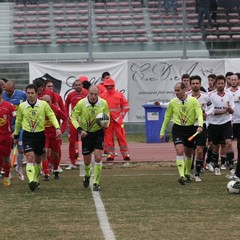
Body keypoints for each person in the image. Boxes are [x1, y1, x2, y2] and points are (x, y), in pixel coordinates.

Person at [13, 84, 62, 192]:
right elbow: (18, 121)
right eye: (28, 93)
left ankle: (35, 179)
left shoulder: (43, 104)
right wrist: (16, 135)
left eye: (32, 93)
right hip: (28, 135)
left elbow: (52, 115)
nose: (30, 95)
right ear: (26, 93)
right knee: (30, 157)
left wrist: (57, 128)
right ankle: (31, 181)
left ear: (36, 93)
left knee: (38, 159)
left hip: (40, 135)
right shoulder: (22, 106)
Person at [160, 82, 203, 185]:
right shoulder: (173, 102)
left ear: (184, 90)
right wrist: (162, 131)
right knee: (179, 151)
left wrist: (200, 125)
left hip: (190, 129)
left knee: (189, 152)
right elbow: (167, 117)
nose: (176, 92)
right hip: (178, 129)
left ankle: (187, 173)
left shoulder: (193, 101)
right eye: (175, 90)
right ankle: (181, 176)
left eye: (178, 90)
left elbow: (199, 114)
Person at [71, 85, 109, 191]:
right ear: (88, 93)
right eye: (91, 94)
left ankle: (96, 182)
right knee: (87, 162)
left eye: (95, 94)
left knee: (97, 157)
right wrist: (79, 130)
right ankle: (87, 175)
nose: (93, 96)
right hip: (86, 134)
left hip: (98, 133)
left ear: (99, 94)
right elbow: (73, 117)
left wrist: (106, 124)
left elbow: (107, 116)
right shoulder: (81, 103)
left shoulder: (103, 103)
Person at [208, 75, 234, 176]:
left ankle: (231, 166)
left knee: (229, 143)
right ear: (215, 84)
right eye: (218, 83)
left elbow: (232, 111)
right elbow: (211, 111)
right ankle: (216, 166)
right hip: (214, 124)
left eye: (222, 83)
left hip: (226, 123)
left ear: (224, 84)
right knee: (215, 146)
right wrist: (224, 111)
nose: (220, 85)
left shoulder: (229, 94)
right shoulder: (210, 95)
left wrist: (229, 109)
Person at [188, 75, 214, 182]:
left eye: (197, 83)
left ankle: (197, 173)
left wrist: (206, 113)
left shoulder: (205, 96)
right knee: (189, 151)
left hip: (201, 125)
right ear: (190, 85)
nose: (195, 85)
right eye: (193, 83)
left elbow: (212, 107)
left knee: (199, 149)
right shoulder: (187, 96)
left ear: (200, 84)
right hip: (189, 126)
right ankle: (189, 170)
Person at [101, 78, 131, 161]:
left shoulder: (119, 95)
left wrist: (120, 116)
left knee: (121, 137)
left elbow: (126, 107)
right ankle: (110, 155)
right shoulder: (102, 96)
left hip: (118, 121)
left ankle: (125, 154)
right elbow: (100, 109)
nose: (109, 87)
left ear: (114, 86)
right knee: (108, 139)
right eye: (107, 86)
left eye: (111, 86)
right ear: (105, 86)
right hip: (108, 122)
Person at [2, 80, 27, 181]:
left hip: (20, 126)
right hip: (7, 127)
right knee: (6, 152)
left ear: (14, 88)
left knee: (21, 149)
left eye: (10, 90)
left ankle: (19, 168)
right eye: (6, 90)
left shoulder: (22, 95)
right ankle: (7, 171)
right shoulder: (2, 95)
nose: (7, 92)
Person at [41, 95, 68, 181]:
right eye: (45, 102)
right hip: (44, 135)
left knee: (56, 154)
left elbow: (65, 120)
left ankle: (55, 169)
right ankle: (46, 173)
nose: (46, 104)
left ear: (51, 101)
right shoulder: (39, 109)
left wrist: (61, 131)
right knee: (44, 152)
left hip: (54, 135)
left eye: (48, 102)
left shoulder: (56, 109)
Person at [65, 78, 88, 170]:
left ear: (82, 86)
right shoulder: (70, 95)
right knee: (72, 142)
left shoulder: (86, 93)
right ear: (73, 86)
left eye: (79, 85)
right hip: (74, 121)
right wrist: (67, 117)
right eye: (76, 85)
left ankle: (86, 162)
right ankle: (72, 162)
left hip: (85, 121)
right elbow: (66, 106)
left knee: (87, 141)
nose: (78, 86)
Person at [0, 86, 16, 186]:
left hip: (6, 136)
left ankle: (7, 175)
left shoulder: (9, 106)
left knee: (6, 158)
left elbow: (17, 118)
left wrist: (16, 131)